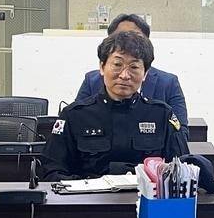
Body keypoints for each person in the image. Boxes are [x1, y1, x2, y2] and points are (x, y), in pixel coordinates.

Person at [45, 29, 193, 180]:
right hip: (89, 200)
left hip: (145, 200)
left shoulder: (162, 115)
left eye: (134, 67)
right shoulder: (74, 115)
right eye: (117, 64)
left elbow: (182, 171)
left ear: (145, 73)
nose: (124, 75)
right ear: (102, 67)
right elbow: (51, 172)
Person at [74, 13, 188, 126]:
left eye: (136, 37)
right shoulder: (92, 80)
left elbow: (180, 131)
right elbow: (75, 121)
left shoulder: (168, 83)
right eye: (121, 37)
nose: (128, 43)